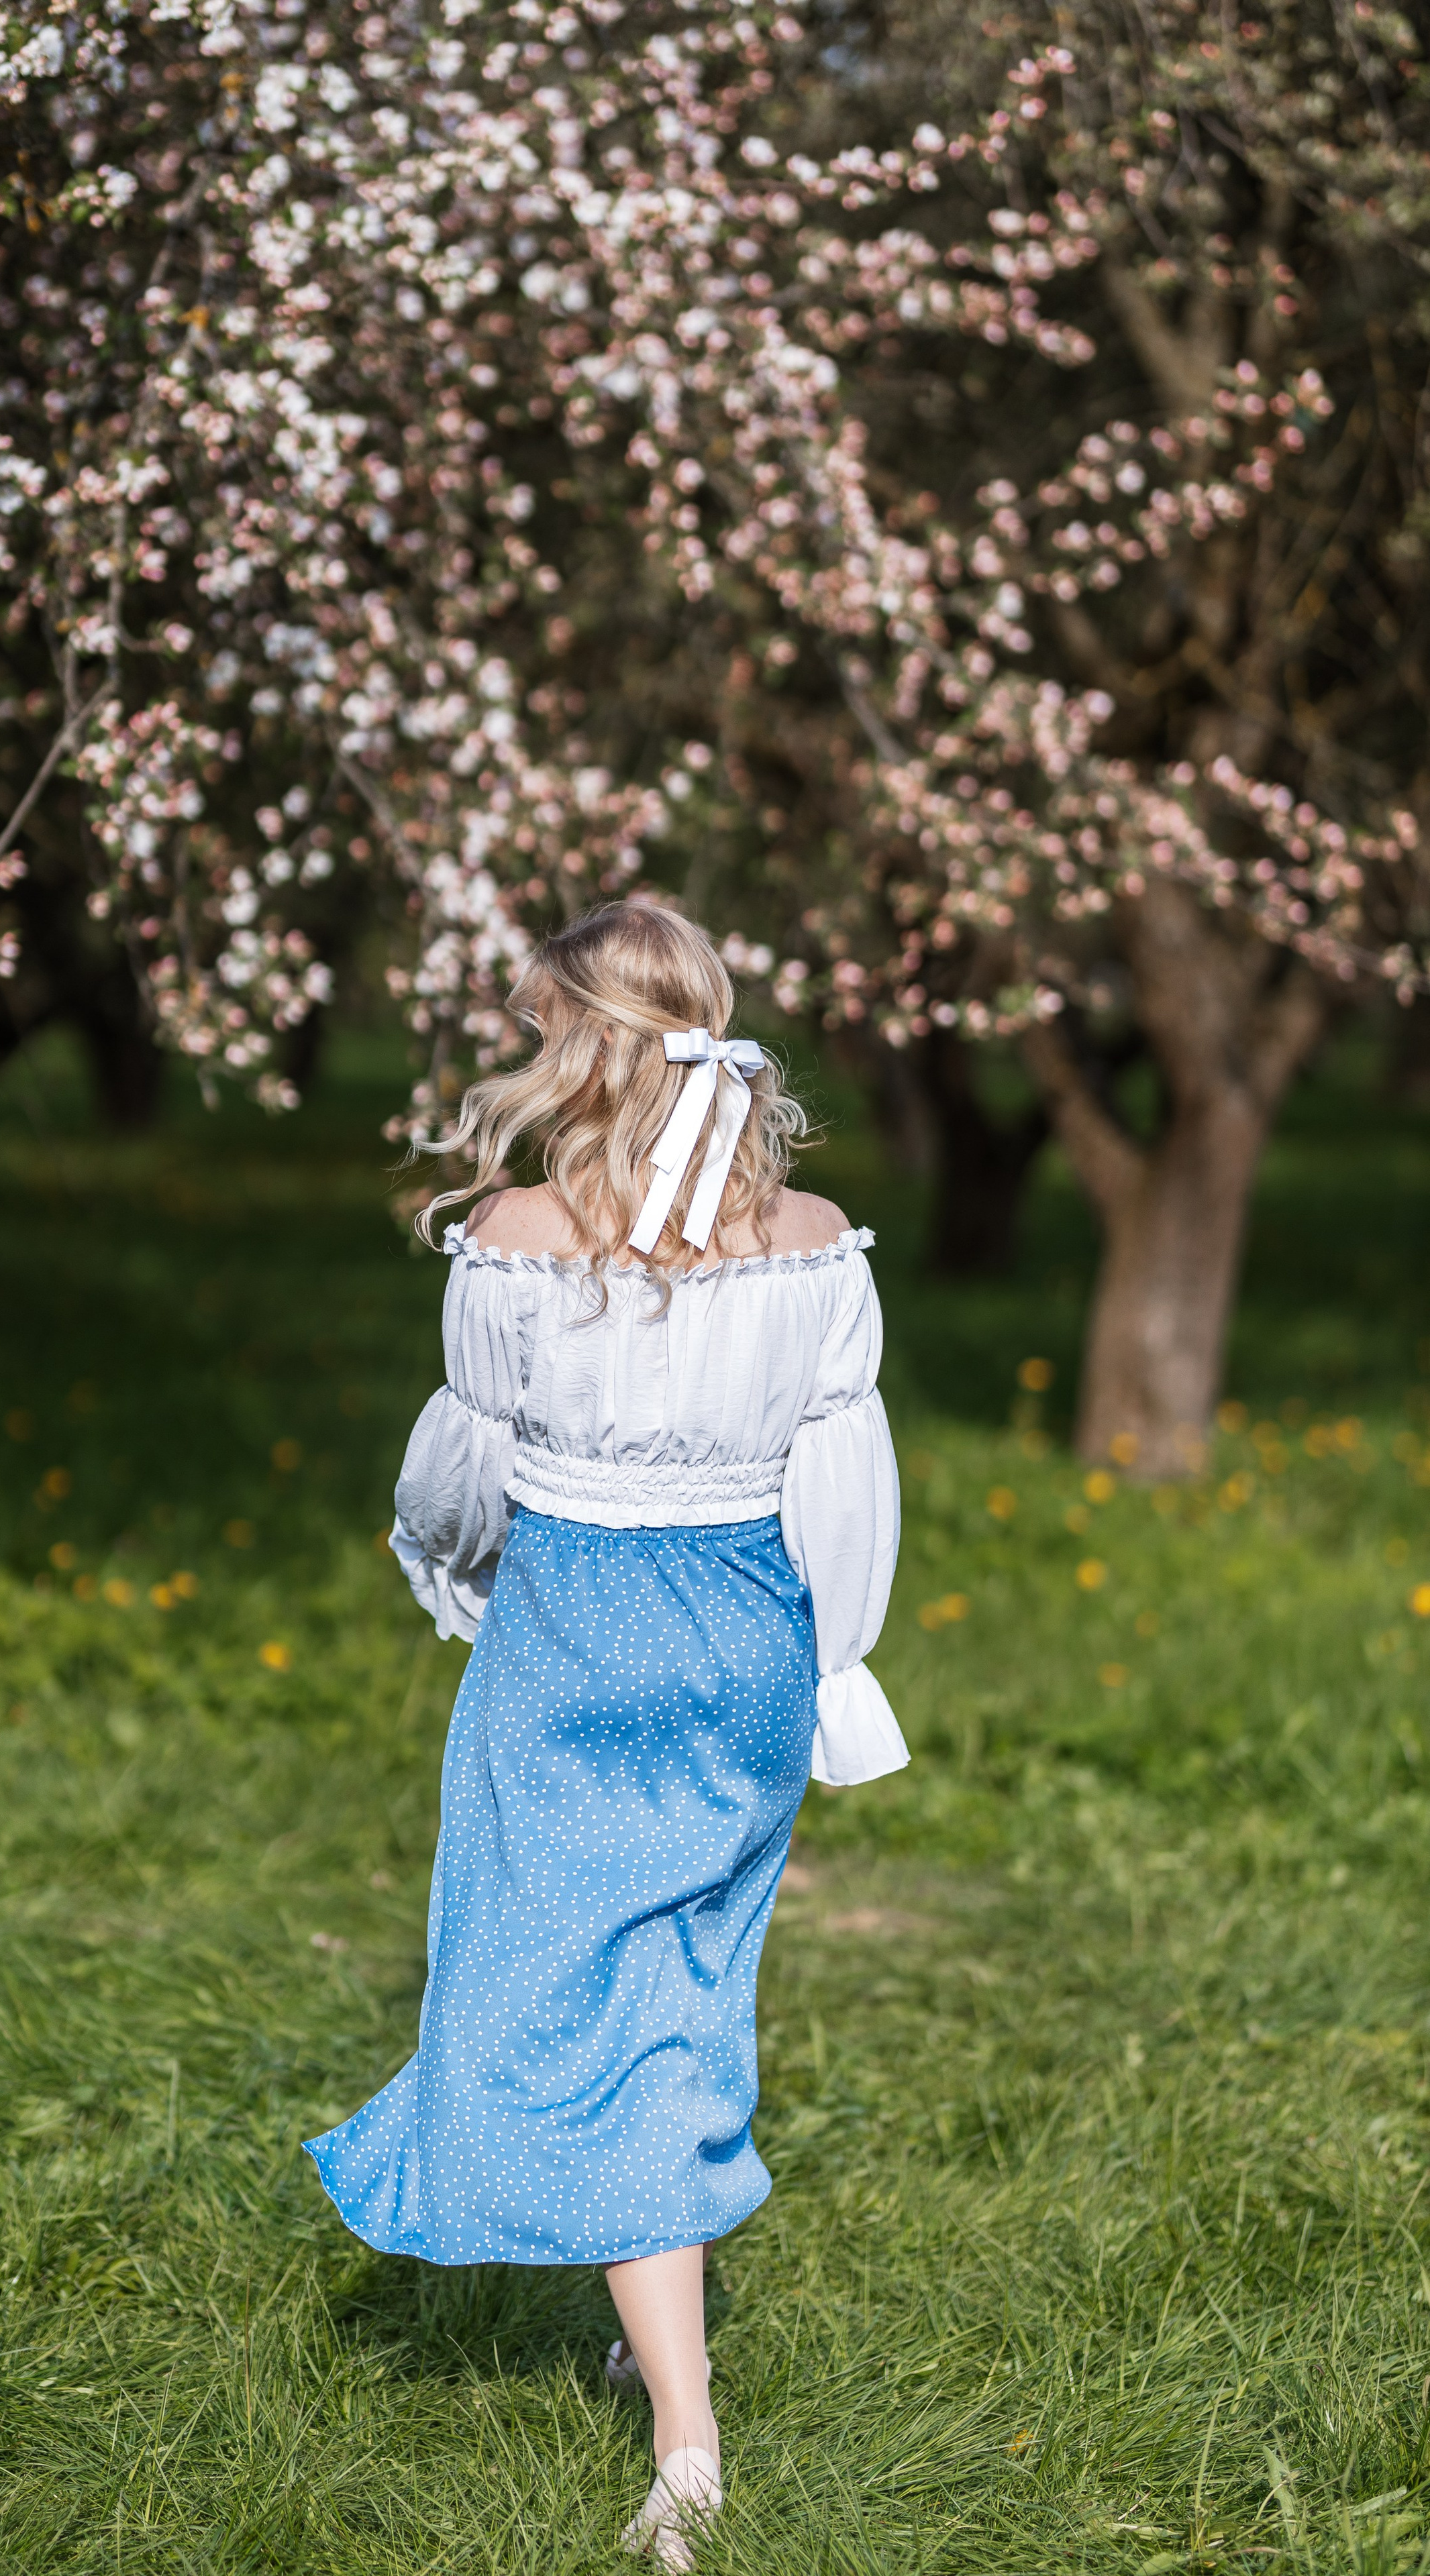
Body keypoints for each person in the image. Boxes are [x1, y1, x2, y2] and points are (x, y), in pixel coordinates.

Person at [305, 903, 905, 2568]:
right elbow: (838, 1484)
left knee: (530, 1973)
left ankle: (631, 2335)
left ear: (571, 1039)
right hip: (738, 1647)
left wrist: (446, 1564)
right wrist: (829, 1673)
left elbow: (466, 1461)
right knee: (679, 1987)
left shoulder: (518, 1229)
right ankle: (685, 2432)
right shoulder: (805, 1232)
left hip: (573, 1637)